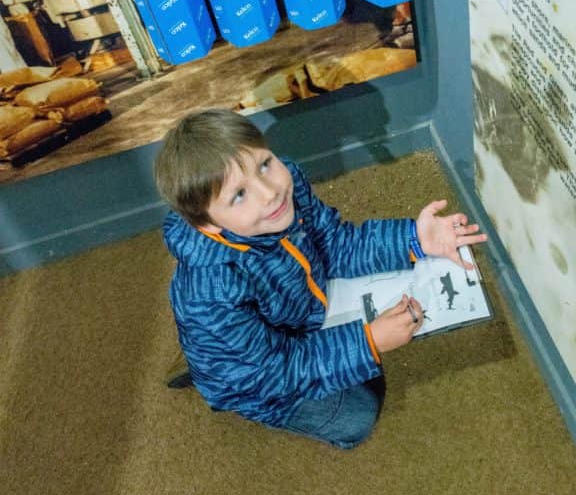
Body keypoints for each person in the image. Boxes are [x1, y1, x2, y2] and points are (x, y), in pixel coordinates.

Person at [155, 108, 488, 449]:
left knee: (356, 367)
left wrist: (415, 239)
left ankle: (208, 358)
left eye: (265, 164)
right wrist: (367, 343)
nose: (269, 191)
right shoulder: (211, 293)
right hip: (258, 375)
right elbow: (274, 374)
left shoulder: (287, 189)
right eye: (239, 195)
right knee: (358, 417)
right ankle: (204, 370)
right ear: (207, 224)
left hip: (288, 318)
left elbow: (335, 245)